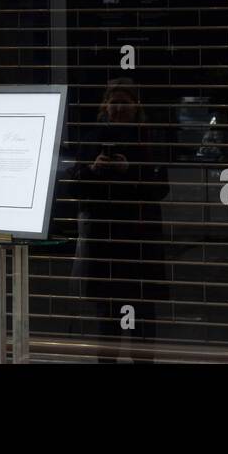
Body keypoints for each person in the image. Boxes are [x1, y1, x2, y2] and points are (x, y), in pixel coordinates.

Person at [68, 77, 169, 362]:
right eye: (114, 103)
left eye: (124, 104)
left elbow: (161, 188)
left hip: (139, 243)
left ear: (136, 107)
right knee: (107, 321)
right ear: (105, 106)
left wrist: (130, 169)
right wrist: (91, 169)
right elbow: (74, 186)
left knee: (142, 321)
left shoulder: (149, 140)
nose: (118, 110)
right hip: (105, 243)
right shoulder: (91, 140)